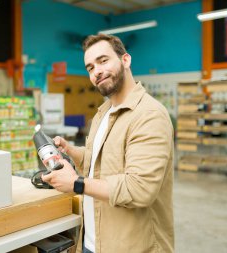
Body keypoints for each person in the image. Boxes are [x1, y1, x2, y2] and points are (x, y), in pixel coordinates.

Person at [42, 34, 174, 253]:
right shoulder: (103, 114)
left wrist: (77, 183)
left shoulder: (149, 115)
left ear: (125, 60)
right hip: (94, 241)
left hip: (131, 246)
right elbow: (100, 163)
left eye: (103, 61)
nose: (96, 72)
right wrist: (73, 152)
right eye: (90, 68)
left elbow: (140, 188)